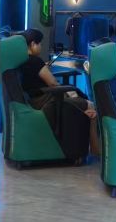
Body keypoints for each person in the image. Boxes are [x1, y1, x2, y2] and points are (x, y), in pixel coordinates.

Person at [19, 28, 100, 156]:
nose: (40, 47)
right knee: (90, 106)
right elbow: (53, 83)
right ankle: (95, 149)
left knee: (81, 103)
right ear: (33, 44)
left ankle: (87, 147)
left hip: (35, 100)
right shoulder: (35, 61)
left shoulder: (23, 60)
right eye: (39, 44)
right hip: (46, 100)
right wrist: (69, 92)